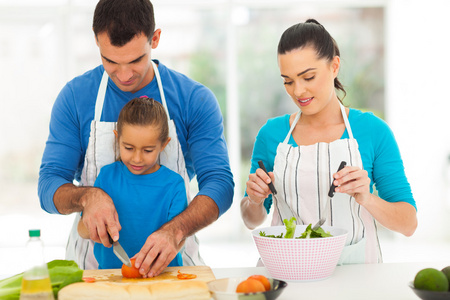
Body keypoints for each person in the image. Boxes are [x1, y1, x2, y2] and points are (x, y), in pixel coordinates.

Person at [38, 0, 234, 277]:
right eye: (110, 61)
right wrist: (87, 197)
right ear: (96, 41)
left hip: (174, 268)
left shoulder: (194, 99)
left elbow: (220, 183)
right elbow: (49, 185)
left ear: (155, 39)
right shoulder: (75, 97)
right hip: (90, 272)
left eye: (135, 60)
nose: (124, 75)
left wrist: (174, 231)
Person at [241, 19, 417, 264]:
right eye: (288, 81)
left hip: (356, 278)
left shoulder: (372, 131)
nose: (298, 91)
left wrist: (367, 198)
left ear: (334, 66)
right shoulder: (271, 135)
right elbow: (251, 219)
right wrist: (254, 199)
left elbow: (408, 223)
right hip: (286, 274)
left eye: (308, 77)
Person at [77, 97, 186, 269]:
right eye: (128, 148)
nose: (137, 158)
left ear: (164, 144)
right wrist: (93, 226)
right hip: (111, 277)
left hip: (164, 277)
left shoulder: (174, 185)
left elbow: (179, 239)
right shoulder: (107, 176)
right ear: (117, 138)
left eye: (148, 150)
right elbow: (82, 230)